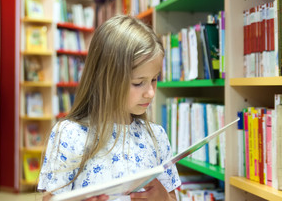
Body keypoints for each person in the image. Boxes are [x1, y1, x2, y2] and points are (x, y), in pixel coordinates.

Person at [38, 15, 181, 201]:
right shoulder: (69, 134)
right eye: (138, 83)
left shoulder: (156, 136)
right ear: (105, 80)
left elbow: (172, 196)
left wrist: (164, 198)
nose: (151, 93)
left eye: (154, 79)